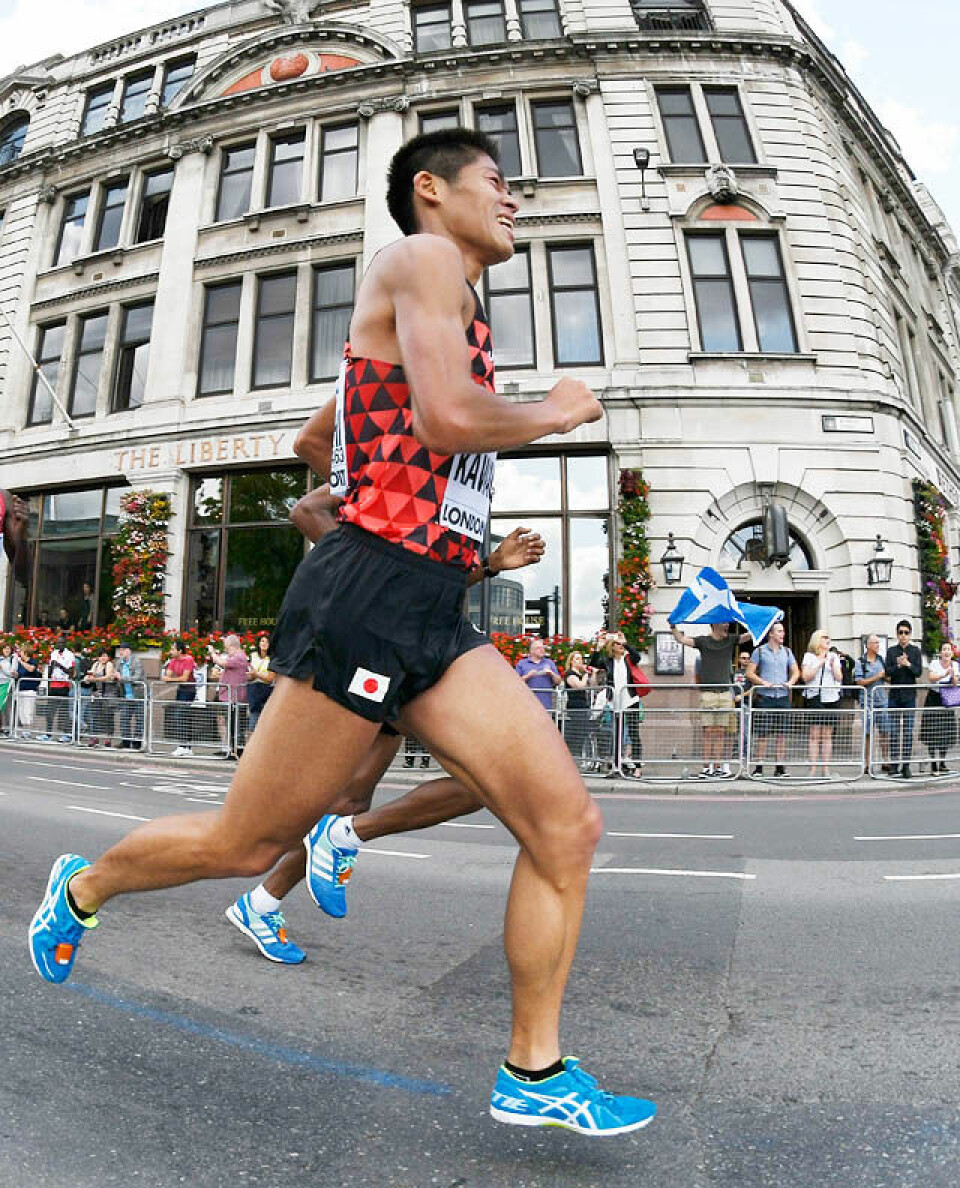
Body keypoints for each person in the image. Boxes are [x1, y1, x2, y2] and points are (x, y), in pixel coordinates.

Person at [30, 127, 653, 1136]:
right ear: (432, 191)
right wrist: (555, 409)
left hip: (430, 604)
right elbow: (448, 420)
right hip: (369, 597)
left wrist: (403, 514)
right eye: (498, 182)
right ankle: (85, 883)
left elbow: (322, 440)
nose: (515, 201)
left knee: (565, 825)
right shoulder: (419, 258)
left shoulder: (447, 300)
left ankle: (533, 1072)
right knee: (248, 843)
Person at [228, 488, 546, 959]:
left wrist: (494, 564)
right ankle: (343, 837)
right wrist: (369, 479)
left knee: (351, 800)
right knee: (490, 778)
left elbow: (429, 588)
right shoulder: (383, 494)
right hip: (378, 664)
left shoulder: (431, 522)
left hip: (413, 658)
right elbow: (305, 510)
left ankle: (265, 898)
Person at [670, 621, 751, 779]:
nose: (727, 625)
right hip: (708, 693)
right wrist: (673, 627)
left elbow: (748, 637)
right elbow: (682, 640)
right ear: (715, 625)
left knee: (720, 732)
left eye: (727, 623)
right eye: (724, 623)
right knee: (708, 732)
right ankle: (707, 767)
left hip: (725, 694)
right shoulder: (703, 641)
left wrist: (760, 623)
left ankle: (718, 766)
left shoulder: (730, 640)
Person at [745, 621, 799, 777]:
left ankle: (780, 768)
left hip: (782, 697)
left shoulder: (788, 652)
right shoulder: (759, 651)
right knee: (763, 734)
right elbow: (749, 673)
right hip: (765, 697)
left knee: (781, 735)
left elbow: (796, 672)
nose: (783, 634)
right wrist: (763, 682)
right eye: (779, 631)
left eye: (783, 631)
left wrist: (790, 682)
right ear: (771, 634)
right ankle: (759, 767)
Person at [593, 631, 648, 777]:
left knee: (633, 733)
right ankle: (616, 767)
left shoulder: (629, 659)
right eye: (617, 644)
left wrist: (626, 642)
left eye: (621, 644)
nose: (621, 646)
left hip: (630, 700)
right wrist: (599, 646)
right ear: (612, 646)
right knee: (616, 735)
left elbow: (638, 657)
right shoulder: (609, 661)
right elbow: (594, 663)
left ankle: (637, 766)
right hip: (615, 702)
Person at [800, 630, 843, 777]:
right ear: (817, 640)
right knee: (814, 734)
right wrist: (819, 663)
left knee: (827, 735)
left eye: (828, 637)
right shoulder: (809, 656)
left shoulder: (834, 656)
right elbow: (805, 677)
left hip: (831, 698)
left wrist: (833, 666)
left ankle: (826, 769)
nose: (827, 639)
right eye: (824, 637)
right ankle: (812, 769)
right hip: (815, 697)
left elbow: (839, 677)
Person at [884, 620, 922, 778]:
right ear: (897, 634)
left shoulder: (915, 651)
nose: (903, 636)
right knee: (893, 731)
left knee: (907, 731)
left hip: (909, 697)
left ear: (910, 634)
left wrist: (907, 664)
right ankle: (894, 765)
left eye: (906, 633)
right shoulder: (892, 651)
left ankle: (906, 765)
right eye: (901, 632)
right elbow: (887, 671)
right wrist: (898, 665)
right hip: (894, 696)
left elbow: (918, 672)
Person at [918, 642, 959, 775]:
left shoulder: (955, 665)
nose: (946, 652)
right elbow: (931, 678)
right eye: (944, 649)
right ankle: (933, 763)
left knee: (945, 730)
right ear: (940, 652)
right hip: (934, 697)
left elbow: (955, 682)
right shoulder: (935, 663)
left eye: (949, 650)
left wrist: (953, 675)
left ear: (951, 653)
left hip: (947, 698)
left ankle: (942, 762)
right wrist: (943, 674)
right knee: (932, 730)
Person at [855, 635, 891, 774]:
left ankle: (885, 760)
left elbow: (887, 677)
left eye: (878, 642)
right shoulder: (861, 662)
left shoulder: (881, 660)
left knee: (884, 731)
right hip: (867, 701)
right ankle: (867, 763)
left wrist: (889, 676)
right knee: (868, 733)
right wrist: (878, 676)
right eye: (875, 642)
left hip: (882, 700)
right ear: (868, 645)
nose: (878, 645)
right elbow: (859, 681)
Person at [161, 639, 197, 757]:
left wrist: (169, 679)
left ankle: (184, 746)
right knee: (181, 716)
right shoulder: (173, 660)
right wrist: (166, 673)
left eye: (172, 649)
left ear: (180, 650)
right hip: (181, 689)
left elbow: (185, 678)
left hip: (189, 690)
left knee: (181, 715)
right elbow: (168, 675)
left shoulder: (188, 659)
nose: (170, 651)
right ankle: (186, 746)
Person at [561, 650, 593, 765]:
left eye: (581, 659)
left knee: (583, 732)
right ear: (571, 661)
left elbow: (591, 684)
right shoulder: (570, 674)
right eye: (577, 659)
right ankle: (572, 757)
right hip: (575, 706)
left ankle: (581, 758)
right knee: (576, 732)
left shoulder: (581, 674)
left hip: (583, 705)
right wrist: (585, 675)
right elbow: (579, 686)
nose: (580, 661)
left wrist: (591, 673)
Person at [515, 637, 562, 714]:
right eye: (538, 648)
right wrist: (528, 676)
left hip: (546, 706)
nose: (542, 650)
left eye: (543, 647)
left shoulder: (550, 663)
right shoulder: (522, 663)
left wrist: (552, 673)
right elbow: (515, 683)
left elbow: (558, 681)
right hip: (527, 706)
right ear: (531, 651)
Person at [112, 643, 146, 749]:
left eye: (123, 650)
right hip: (126, 695)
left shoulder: (136, 662)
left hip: (138, 695)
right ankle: (126, 741)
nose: (121, 652)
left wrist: (121, 678)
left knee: (139, 720)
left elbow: (137, 677)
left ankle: (137, 742)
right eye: (120, 650)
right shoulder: (119, 663)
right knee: (124, 719)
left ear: (129, 651)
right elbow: (116, 675)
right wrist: (114, 677)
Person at [82, 647, 116, 747]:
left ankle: (108, 738)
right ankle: (94, 737)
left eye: (105, 656)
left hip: (108, 693)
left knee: (108, 716)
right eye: (101, 656)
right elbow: (90, 675)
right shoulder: (96, 664)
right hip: (97, 693)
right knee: (94, 715)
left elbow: (108, 677)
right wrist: (87, 678)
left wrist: (95, 679)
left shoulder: (109, 665)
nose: (103, 658)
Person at [46, 635, 76, 743]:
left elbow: (71, 673)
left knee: (63, 713)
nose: (60, 645)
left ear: (65, 643)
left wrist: (60, 666)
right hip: (53, 685)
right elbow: (50, 670)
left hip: (64, 686)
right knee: (49, 712)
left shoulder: (70, 655)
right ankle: (48, 734)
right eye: (58, 643)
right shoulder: (53, 653)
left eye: (62, 643)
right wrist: (50, 669)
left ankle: (65, 735)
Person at [246, 634, 274, 734]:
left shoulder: (272, 658)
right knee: (254, 715)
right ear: (258, 643)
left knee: (265, 717)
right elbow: (248, 675)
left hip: (266, 689)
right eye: (262, 641)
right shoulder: (252, 656)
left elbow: (270, 678)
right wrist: (251, 675)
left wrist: (256, 674)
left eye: (267, 641)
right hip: (253, 689)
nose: (264, 643)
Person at [14, 642, 41, 735]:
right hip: (21, 689)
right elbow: (19, 674)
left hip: (30, 690)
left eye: (21, 651)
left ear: (25, 652)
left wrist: (21, 662)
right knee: (21, 711)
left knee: (28, 711)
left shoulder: (32, 661)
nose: (20, 653)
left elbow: (31, 669)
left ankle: (28, 731)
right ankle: (24, 731)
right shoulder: (20, 664)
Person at [0, 642, 15, 733]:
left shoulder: (13, 659)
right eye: (5, 648)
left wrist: (2, 669)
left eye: (8, 649)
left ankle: (6, 728)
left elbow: (11, 673)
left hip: (7, 684)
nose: (6, 650)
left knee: (4, 707)